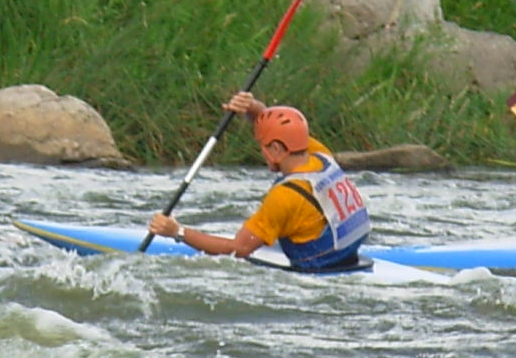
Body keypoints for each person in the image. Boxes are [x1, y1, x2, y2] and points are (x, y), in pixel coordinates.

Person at [145, 92, 370, 272]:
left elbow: (238, 250)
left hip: (318, 268)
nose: (262, 153)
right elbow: (278, 125)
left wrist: (177, 232)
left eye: (263, 147)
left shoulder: (284, 197)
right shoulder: (320, 155)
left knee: (250, 239)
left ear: (276, 149)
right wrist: (251, 107)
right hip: (348, 254)